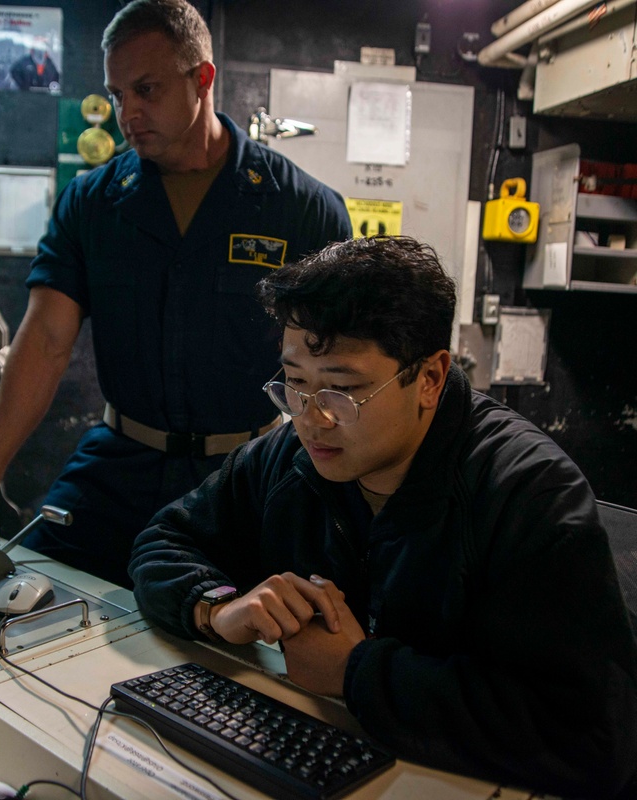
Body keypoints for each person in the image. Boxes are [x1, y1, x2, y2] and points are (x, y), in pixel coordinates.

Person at [129, 235, 637, 797]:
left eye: (343, 391)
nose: (312, 419)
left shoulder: (526, 491)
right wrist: (217, 608)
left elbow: (593, 738)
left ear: (429, 378)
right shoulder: (289, 456)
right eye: (295, 383)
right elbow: (162, 541)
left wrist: (356, 672)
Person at [0, 0, 351, 589]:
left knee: (244, 644)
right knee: (34, 596)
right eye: (118, 93)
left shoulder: (301, 206)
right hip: (122, 460)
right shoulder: (94, 204)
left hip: (244, 472)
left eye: (146, 89)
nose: (128, 112)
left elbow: (339, 360)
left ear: (202, 78)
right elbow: (48, 339)